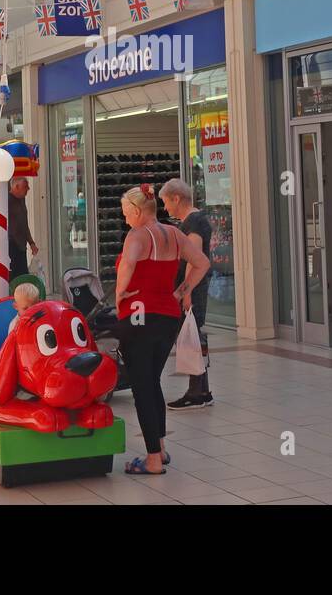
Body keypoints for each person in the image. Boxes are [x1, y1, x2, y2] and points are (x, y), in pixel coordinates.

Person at [114, 183, 210, 476]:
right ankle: (161, 448)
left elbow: (128, 266)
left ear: (136, 210)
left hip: (139, 315)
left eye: (125, 212)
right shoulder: (175, 233)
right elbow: (202, 262)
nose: (125, 217)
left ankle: (153, 459)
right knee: (152, 381)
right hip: (168, 315)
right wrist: (182, 291)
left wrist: (119, 296)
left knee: (142, 387)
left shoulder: (138, 235)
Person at [159, 178, 215, 408]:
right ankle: (202, 391)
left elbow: (194, 258)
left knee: (189, 335)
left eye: (166, 202)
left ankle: (195, 393)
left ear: (176, 198)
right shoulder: (196, 219)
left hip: (191, 289)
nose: (165, 208)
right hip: (191, 288)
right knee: (193, 335)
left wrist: (185, 292)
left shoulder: (193, 222)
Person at [7, 178, 38, 280]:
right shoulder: (7, 201)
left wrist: (31, 242)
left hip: (21, 245)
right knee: (14, 277)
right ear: (16, 187)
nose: (28, 189)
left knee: (23, 276)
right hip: (11, 244)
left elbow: (24, 224)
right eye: (25, 187)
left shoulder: (21, 200)